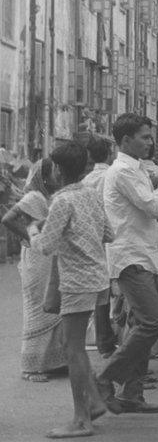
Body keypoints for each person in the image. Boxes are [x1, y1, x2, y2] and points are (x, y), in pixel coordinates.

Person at [96, 113, 158, 414]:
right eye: (145, 137)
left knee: (141, 323)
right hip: (130, 258)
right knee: (153, 322)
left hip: (141, 255)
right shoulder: (123, 171)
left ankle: (131, 395)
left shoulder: (133, 170)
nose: (150, 142)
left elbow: (141, 219)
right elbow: (154, 207)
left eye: (150, 136)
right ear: (125, 140)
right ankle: (106, 378)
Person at [27, 141, 114, 438]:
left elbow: (46, 246)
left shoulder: (61, 201)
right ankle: (95, 402)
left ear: (59, 171)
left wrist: (33, 229)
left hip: (77, 280)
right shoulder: (91, 194)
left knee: (73, 347)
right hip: (97, 276)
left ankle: (81, 419)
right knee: (73, 344)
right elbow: (108, 233)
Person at [1, 159, 67, 383]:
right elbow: (7, 219)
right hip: (36, 259)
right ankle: (30, 368)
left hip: (47, 255)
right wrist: (29, 235)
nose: (59, 175)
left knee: (51, 308)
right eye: (55, 172)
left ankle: (52, 362)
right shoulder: (34, 197)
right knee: (37, 310)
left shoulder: (49, 197)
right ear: (44, 177)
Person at [82, 135, 118, 359]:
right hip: (108, 238)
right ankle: (106, 340)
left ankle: (101, 337)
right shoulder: (109, 177)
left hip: (89, 239)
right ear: (108, 153)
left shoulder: (86, 180)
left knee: (97, 293)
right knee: (107, 293)